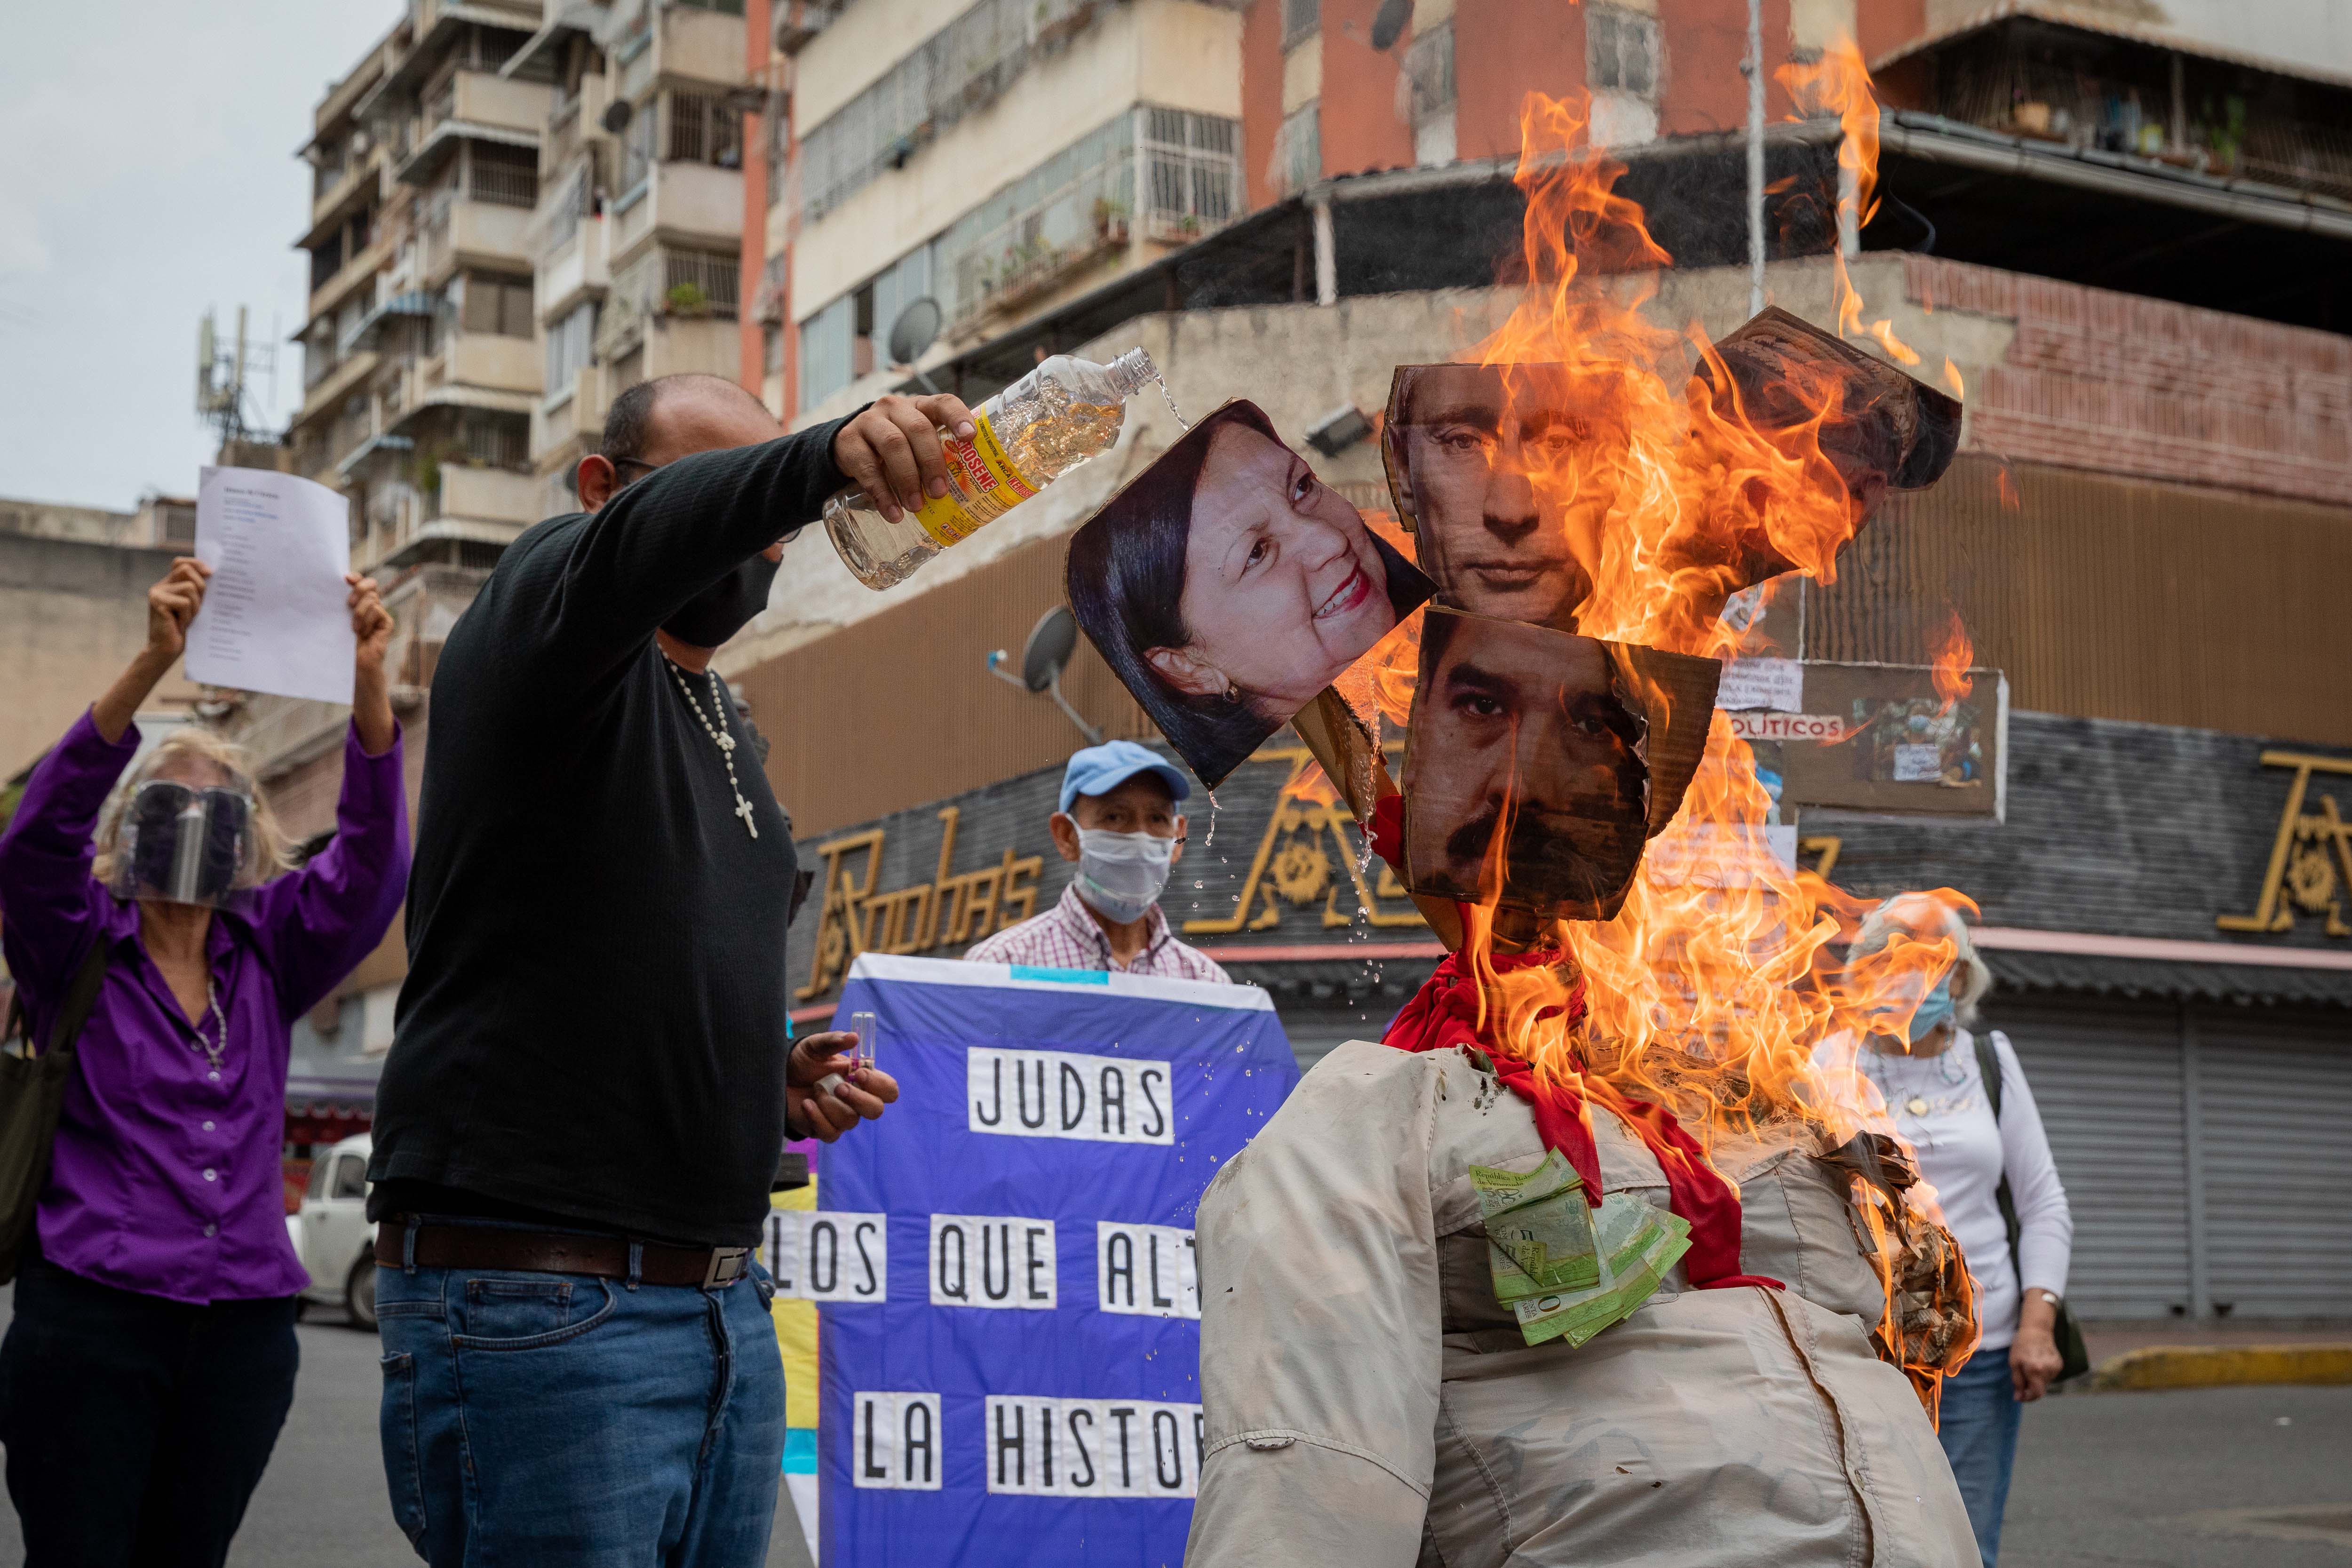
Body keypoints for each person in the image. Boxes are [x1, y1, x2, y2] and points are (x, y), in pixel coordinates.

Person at [366, 374, 942, 1565]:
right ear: (602, 494)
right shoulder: (541, 618)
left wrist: (764, 1078)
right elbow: (654, 541)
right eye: (713, 491)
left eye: (766, 520)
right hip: (551, 1306)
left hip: (721, 1309)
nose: (754, 539)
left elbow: (626, 959)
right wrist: (820, 453)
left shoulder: (723, 718)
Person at [0, 557, 408, 1567]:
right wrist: (153, 661)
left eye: (218, 805)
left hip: (241, 1332)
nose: (191, 819)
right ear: (128, 828)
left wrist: (366, 678)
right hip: (90, 1319)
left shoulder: (270, 950)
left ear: (249, 840)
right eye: (165, 803)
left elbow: (370, 865)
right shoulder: (75, 941)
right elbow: (32, 843)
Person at [1825, 895, 2073, 1567]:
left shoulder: (1990, 1059)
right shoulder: (1827, 1063)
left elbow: (2044, 1202)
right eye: (1891, 952)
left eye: (1930, 957)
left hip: (1979, 1350)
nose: (1909, 971)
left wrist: (2036, 1325)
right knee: (1867, 1533)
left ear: (1959, 977)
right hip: (1860, 1346)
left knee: (1963, 1542)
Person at [1067, 400, 1431, 786]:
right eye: (1256, 552)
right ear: (1189, 668)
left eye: (1302, 487)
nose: (1330, 541)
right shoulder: (1280, 795)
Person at [1400, 607, 1650, 915]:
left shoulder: (1631, 953)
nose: (1518, 792)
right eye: (1484, 705)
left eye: (1590, 726)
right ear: (1419, 729)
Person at [964, 740, 1229, 981]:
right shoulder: (1001, 969)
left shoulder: (1205, 983)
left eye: (1157, 819)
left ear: (1178, 838)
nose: (1139, 838)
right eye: (1114, 817)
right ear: (1067, 837)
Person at [1382, 361, 1599, 632]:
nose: (1511, 512)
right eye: (1463, 441)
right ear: (1404, 465)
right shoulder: (1373, 669)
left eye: (1556, 442)